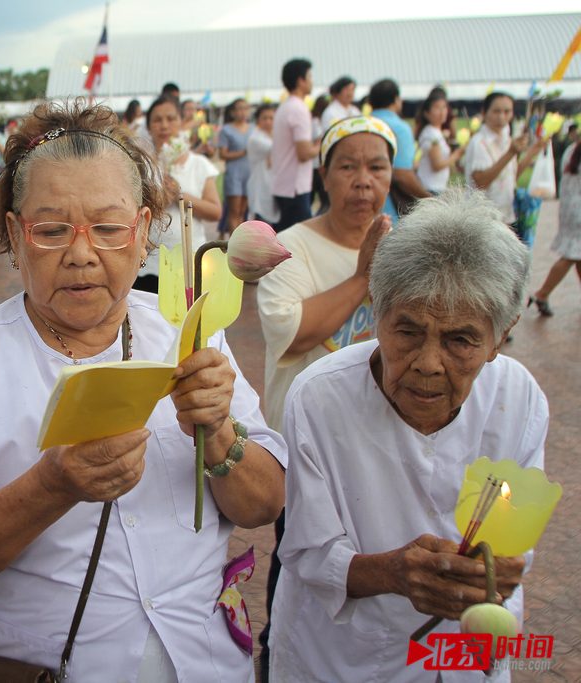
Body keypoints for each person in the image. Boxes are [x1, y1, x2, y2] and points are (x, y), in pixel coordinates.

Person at [0, 100, 287, 683]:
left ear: (143, 229)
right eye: (51, 230)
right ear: (13, 232)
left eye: (107, 228)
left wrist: (221, 437)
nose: (81, 253)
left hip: (204, 663)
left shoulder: (192, 333)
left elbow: (264, 503)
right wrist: (52, 486)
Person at [270, 189, 543, 683]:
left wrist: (498, 572)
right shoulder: (320, 397)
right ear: (378, 312)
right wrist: (393, 573)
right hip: (340, 661)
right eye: (408, 331)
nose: (428, 363)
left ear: (501, 337)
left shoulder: (519, 400)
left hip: (462, 654)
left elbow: (511, 537)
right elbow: (307, 550)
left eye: (461, 340)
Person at [254, 117, 395, 680]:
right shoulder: (290, 249)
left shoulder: (404, 244)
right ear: (324, 176)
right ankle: (279, 653)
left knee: (367, 561)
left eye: (377, 167)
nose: (363, 181)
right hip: (305, 443)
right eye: (348, 166)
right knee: (299, 557)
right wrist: (364, 278)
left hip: (377, 441)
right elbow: (292, 332)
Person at [136, 95, 221, 292]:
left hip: (189, 262)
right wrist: (159, 200)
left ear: (183, 121)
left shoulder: (198, 164)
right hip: (150, 265)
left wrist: (179, 194)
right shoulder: (141, 165)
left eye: (171, 118)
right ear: (149, 126)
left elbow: (215, 211)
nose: (164, 125)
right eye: (157, 119)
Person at [464, 92, 548, 225]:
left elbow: (510, 175)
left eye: (507, 111)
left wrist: (530, 154)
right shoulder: (479, 142)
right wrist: (510, 153)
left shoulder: (507, 140)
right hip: (482, 221)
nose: (502, 117)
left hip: (505, 217)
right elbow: (480, 182)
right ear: (484, 113)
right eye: (496, 111)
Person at [368, 79, 431, 223]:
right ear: (396, 100)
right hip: (389, 214)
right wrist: (429, 199)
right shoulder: (400, 128)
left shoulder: (362, 124)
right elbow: (402, 175)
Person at [529, 139, 581, 316]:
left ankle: (543, 294)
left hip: (570, 207)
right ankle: (542, 293)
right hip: (578, 210)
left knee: (576, 253)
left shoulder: (572, 148)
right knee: (570, 255)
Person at [272, 59, 316, 231]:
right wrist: (321, 146)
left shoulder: (286, 106)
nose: (312, 81)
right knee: (296, 245)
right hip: (295, 187)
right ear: (301, 80)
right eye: (310, 76)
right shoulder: (299, 108)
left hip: (285, 184)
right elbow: (304, 153)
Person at [415, 91, 465, 194]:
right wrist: (457, 154)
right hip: (431, 188)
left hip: (436, 186)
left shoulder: (436, 132)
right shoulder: (431, 135)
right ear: (426, 113)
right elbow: (437, 165)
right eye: (437, 108)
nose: (442, 112)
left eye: (444, 107)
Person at [219, 99, 253, 234]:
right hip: (234, 174)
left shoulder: (252, 128)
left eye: (245, 108)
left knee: (242, 212)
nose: (243, 112)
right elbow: (223, 154)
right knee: (234, 212)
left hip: (248, 173)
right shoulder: (226, 130)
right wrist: (243, 152)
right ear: (233, 112)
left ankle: (241, 241)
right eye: (239, 108)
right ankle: (234, 241)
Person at [247, 103, 281, 227]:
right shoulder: (255, 139)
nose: (268, 121)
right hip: (261, 188)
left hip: (275, 188)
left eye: (271, 118)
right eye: (264, 118)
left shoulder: (275, 135)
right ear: (258, 120)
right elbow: (275, 148)